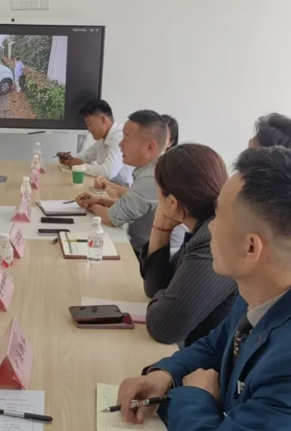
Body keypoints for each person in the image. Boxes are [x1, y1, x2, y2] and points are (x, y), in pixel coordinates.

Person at [117, 146, 291, 431]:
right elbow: (215, 346)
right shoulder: (257, 292)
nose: (210, 228)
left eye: (219, 217)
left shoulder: (286, 366)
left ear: (250, 247)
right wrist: (164, 375)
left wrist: (194, 396)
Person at [139, 144, 237, 346]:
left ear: (172, 203)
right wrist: (161, 228)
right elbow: (155, 287)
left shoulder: (212, 239)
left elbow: (164, 328)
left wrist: (165, 298)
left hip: (212, 359)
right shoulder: (203, 228)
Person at [75, 110, 183, 253]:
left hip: (154, 257)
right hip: (146, 248)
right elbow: (128, 205)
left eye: (126, 139)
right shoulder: (156, 167)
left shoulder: (151, 177)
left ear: (150, 146)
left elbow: (111, 218)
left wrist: (91, 205)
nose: (121, 145)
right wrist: (99, 200)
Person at [96, 113, 179, 198]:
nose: (121, 144)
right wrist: (108, 185)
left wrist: (112, 199)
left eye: (164, 136)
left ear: (171, 143)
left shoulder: (154, 175)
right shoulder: (143, 164)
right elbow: (135, 194)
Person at [58, 99, 133, 187]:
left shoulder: (120, 136)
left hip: (123, 192)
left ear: (102, 119)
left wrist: (80, 166)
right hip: (108, 189)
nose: (88, 129)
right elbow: (86, 156)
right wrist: (70, 160)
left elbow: (108, 172)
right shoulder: (103, 138)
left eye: (89, 124)